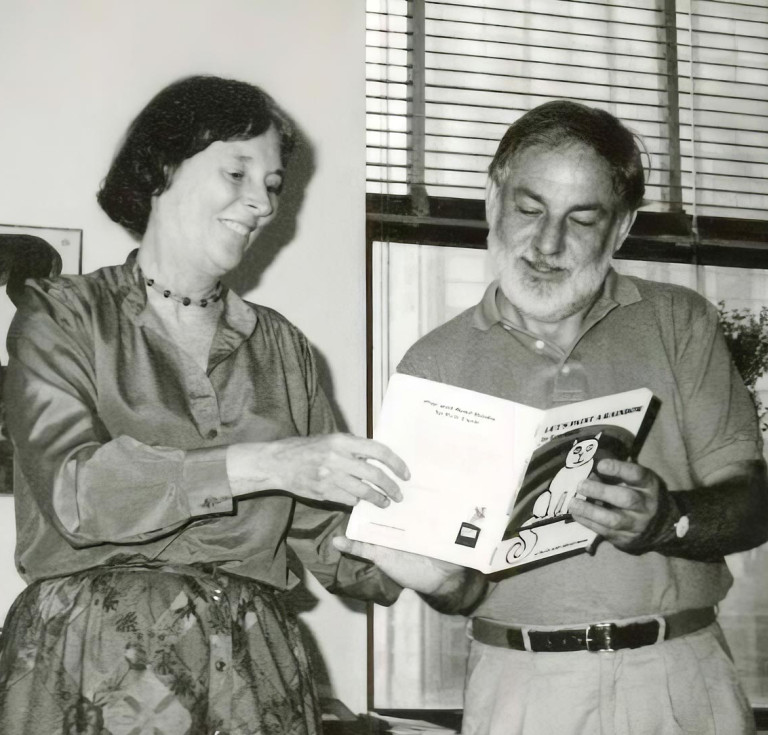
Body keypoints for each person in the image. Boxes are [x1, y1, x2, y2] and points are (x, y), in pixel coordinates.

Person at [0, 74, 418, 735]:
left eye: (273, 185)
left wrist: (436, 552)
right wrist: (264, 463)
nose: (261, 203)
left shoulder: (283, 347)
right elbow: (77, 491)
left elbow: (329, 535)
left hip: (250, 671)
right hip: (90, 660)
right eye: (237, 173)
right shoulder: (62, 316)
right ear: (162, 168)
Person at [337, 100, 768, 735]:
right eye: (529, 209)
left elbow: (754, 503)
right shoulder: (434, 362)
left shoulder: (680, 321)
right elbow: (463, 590)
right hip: (520, 689)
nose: (547, 244)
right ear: (493, 201)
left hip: (680, 676)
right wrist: (436, 580)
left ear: (620, 228)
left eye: (582, 219)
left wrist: (668, 518)